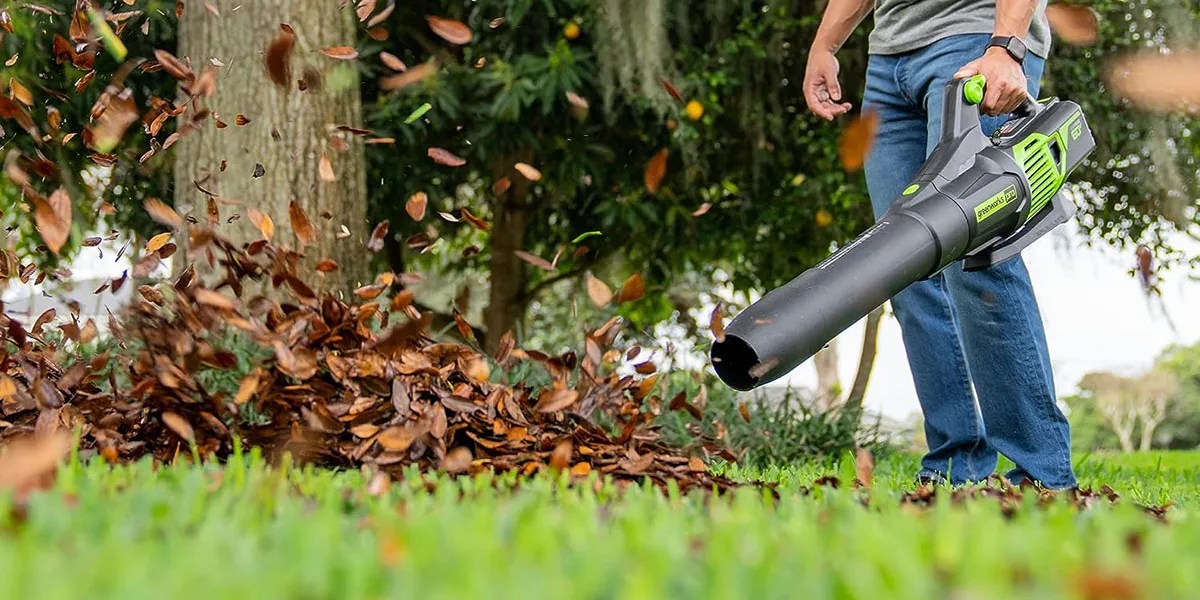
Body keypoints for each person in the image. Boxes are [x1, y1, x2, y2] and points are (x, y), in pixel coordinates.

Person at [802, 0, 1076, 489]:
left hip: (975, 43)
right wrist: (825, 45)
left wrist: (1007, 46)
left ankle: (1041, 474)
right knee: (903, 268)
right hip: (890, 61)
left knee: (978, 255)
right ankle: (955, 464)